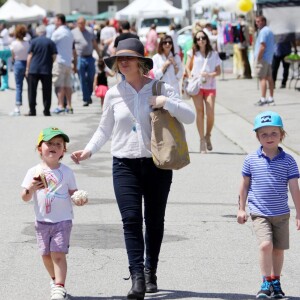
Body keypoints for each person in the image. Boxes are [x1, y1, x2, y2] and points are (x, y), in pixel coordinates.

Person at [71, 38, 195, 300]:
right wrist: (89, 150)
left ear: (141, 62)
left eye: (128, 58)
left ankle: (151, 269)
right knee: (130, 221)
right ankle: (137, 276)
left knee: (154, 220)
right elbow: (104, 128)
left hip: (156, 165)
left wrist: (165, 102)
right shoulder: (114, 94)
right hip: (124, 164)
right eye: (119, 59)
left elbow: (189, 116)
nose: (123, 62)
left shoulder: (160, 87)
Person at [237, 111, 300, 299]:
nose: (269, 137)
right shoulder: (251, 160)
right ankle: (265, 282)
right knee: (265, 245)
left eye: (274, 133)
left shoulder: (289, 161)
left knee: (278, 250)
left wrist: (298, 213)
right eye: (264, 134)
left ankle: (276, 282)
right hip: (260, 212)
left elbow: (295, 189)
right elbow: (244, 185)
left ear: (282, 134)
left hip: (281, 213)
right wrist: (241, 208)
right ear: (257, 137)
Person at [21, 127, 88, 300]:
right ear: (39, 148)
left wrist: (78, 198)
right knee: (45, 255)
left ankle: (59, 286)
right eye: (49, 143)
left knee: (58, 254)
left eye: (58, 144)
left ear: (63, 151)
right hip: (42, 221)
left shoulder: (66, 172)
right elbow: (25, 197)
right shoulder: (33, 172)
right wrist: (30, 189)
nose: (54, 146)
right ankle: (54, 279)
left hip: (62, 221)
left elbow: (73, 192)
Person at [185, 30, 221, 153]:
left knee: (210, 113)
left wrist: (209, 74)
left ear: (206, 39)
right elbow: (187, 67)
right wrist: (191, 77)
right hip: (197, 86)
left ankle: (208, 135)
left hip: (210, 86)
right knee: (200, 112)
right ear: (196, 41)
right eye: (198, 38)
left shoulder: (213, 54)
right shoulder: (193, 53)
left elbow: (219, 71)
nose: (201, 40)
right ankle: (201, 141)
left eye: (203, 38)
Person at [26, 25, 57, 116]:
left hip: (33, 69)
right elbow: (54, 56)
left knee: (32, 91)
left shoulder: (33, 41)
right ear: (45, 32)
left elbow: (30, 56)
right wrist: (50, 63)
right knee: (47, 91)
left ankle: (32, 110)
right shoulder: (50, 42)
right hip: (46, 69)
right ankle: (46, 110)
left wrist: (27, 68)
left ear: (37, 32)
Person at [72, 17, 102, 107]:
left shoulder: (90, 31)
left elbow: (95, 43)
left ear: (85, 23)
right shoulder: (73, 32)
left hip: (89, 57)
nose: (81, 25)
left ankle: (88, 94)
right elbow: (72, 47)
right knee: (82, 78)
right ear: (77, 23)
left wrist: (99, 54)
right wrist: (73, 60)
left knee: (91, 78)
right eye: (79, 23)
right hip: (80, 58)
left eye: (83, 23)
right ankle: (86, 98)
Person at [51, 13, 74, 114]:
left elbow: (51, 45)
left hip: (59, 61)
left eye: (55, 20)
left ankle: (60, 105)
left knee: (59, 84)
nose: (54, 22)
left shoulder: (57, 32)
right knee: (68, 85)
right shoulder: (70, 32)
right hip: (68, 61)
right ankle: (69, 105)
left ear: (59, 21)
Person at [254, 15, 275, 106]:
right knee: (269, 78)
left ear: (263, 21)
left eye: (258, 21)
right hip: (268, 58)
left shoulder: (263, 32)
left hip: (263, 58)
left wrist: (258, 58)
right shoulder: (269, 31)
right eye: (256, 21)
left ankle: (263, 99)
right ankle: (271, 98)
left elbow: (262, 46)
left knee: (262, 78)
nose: (257, 23)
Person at [9, 24, 29, 116]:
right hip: (27, 63)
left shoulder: (13, 43)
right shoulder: (27, 43)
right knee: (30, 86)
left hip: (18, 63)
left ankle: (17, 107)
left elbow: (13, 56)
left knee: (18, 86)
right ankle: (31, 105)